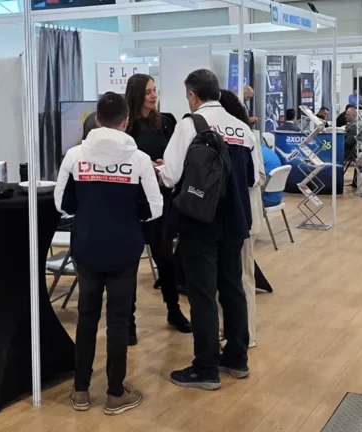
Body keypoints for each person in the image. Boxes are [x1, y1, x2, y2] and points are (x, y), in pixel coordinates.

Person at [56, 92, 163, 415]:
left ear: (98, 120)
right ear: (126, 121)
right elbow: (154, 208)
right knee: (118, 321)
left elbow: (63, 204)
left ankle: (81, 391)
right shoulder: (139, 159)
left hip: (87, 246)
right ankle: (115, 393)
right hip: (124, 248)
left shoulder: (75, 156)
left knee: (86, 317)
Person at [160, 69, 253, 390]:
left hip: (200, 221)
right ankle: (237, 358)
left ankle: (206, 367)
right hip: (235, 219)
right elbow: (250, 176)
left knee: (202, 294)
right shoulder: (242, 128)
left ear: (192, 95)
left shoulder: (190, 125)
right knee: (233, 288)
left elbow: (171, 176)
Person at [124, 74, 191, 344]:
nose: (154, 95)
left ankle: (173, 310)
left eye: (155, 90)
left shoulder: (166, 122)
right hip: (131, 201)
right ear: (136, 94)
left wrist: (165, 163)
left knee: (165, 259)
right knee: (129, 264)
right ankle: (128, 320)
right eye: (148, 91)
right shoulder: (126, 127)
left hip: (160, 199)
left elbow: (177, 156)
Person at [218, 89, 264, 349]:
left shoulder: (246, 136)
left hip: (243, 215)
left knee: (243, 276)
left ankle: (246, 333)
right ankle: (228, 329)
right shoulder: (244, 134)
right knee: (230, 278)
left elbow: (256, 177)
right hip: (235, 216)